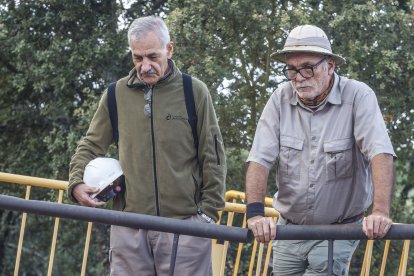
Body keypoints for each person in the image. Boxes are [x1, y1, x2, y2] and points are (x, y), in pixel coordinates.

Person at [68, 16, 226, 276]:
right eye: (137, 58)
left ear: (170, 49)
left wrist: (208, 215)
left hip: (185, 226)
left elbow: (214, 156)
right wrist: (75, 184)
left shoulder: (194, 91)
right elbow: (90, 145)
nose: (145, 66)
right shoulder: (115, 94)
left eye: (153, 56)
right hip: (129, 228)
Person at [245, 25, 396, 275]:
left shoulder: (358, 96)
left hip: (337, 231)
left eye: (307, 68)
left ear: (330, 66)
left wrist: (379, 212)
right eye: (291, 70)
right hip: (289, 230)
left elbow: (380, 152)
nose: (299, 77)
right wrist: (255, 214)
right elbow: (259, 159)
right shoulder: (280, 99)